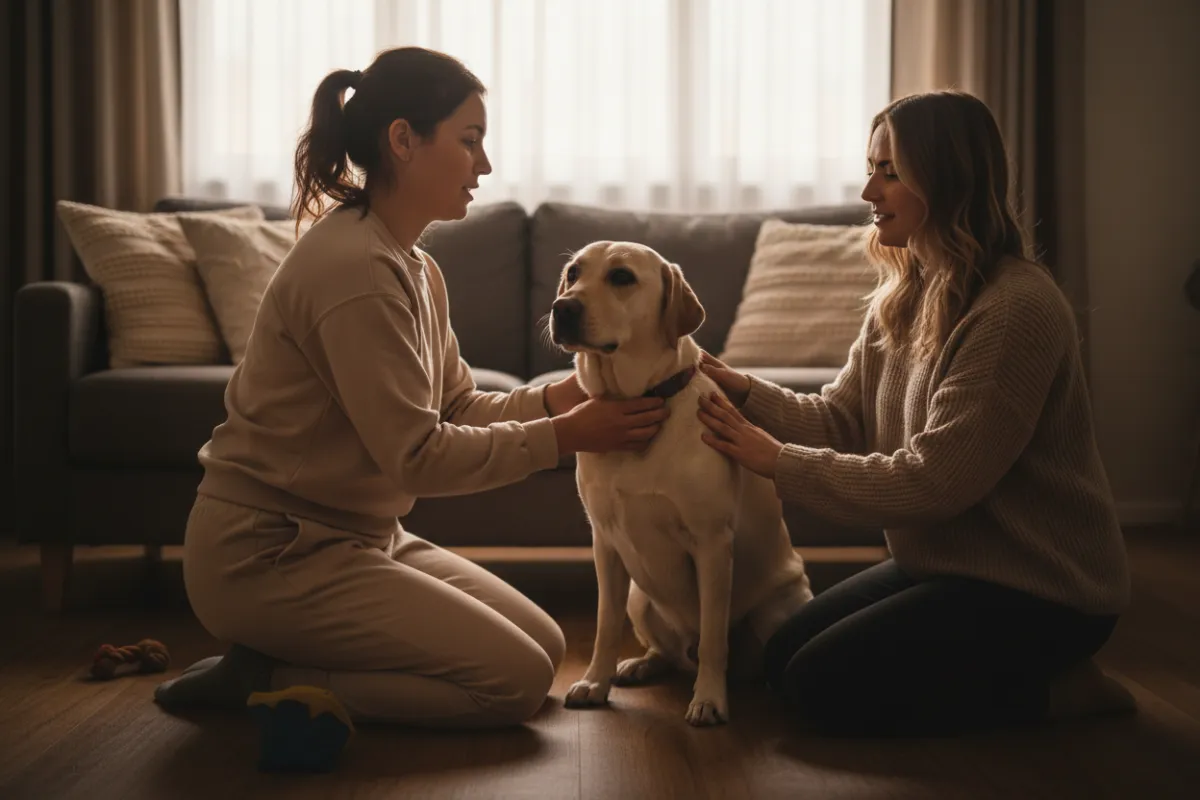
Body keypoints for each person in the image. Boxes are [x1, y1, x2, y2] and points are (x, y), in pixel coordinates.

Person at [153, 46, 669, 728]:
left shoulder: (417, 268)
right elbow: (418, 456)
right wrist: (563, 436)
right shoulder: (355, 270)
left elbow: (457, 406)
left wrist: (556, 399)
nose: (485, 165)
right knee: (513, 683)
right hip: (270, 552)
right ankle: (265, 678)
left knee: (543, 647)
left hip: (361, 536)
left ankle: (289, 660)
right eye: (469, 141)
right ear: (403, 140)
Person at [695, 90, 1136, 738]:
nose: (868, 191)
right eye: (871, 169)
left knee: (819, 685)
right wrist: (742, 391)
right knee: (783, 657)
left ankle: (1058, 688)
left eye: (889, 172)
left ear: (946, 179)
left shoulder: (1015, 310)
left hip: (1043, 589)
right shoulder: (904, 296)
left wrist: (777, 462)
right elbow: (840, 419)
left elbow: (934, 482)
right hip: (946, 567)